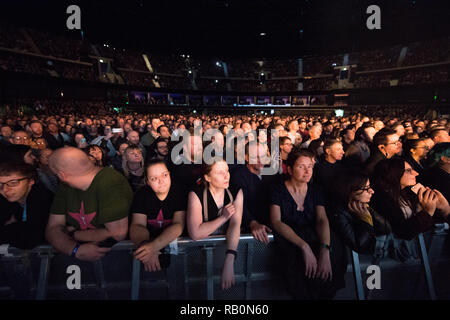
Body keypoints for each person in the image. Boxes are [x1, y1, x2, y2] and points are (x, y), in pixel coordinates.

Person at [269, 149, 346, 300]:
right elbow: (276, 222)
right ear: (289, 169)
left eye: (310, 166)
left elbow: (322, 220)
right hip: (292, 241)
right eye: (301, 167)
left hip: (316, 240)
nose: (307, 171)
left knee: (327, 277)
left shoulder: (316, 190)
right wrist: (304, 247)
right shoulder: (277, 189)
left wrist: (325, 251)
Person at [45, 147, 133, 261]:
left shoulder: (110, 182)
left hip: (114, 260)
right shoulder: (65, 187)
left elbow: (117, 233)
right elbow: (52, 228)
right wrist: (75, 249)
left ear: (62, 175)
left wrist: (72, 234)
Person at [187, 159, 243, 290]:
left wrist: (229, 260)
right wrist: (223, 217)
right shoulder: (196, 193)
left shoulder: (235, 191)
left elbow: (235, 224)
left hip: (226, 250)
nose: (226, 176)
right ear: (207, 177)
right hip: (199, 254)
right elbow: (195, 233)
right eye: (219, 172)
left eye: (227, 171)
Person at [371, 158, 450, 241]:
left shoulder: (406, 193)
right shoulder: (381, 200)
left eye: (412, 169)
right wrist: (427, 212)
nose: (416, 173)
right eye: (408, 171)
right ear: (393, 173)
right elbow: (404, 232)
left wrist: (444, 208)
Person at [130, 159, 186, 272]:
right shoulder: (141, 195)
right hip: (146, 252)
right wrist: (146, 248)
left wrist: (154, 247)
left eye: (164, 175)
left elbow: (178, 225)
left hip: (175, 250)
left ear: (169, 175)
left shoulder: (179, 192)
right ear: (147, 182)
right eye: (154, 178)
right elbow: (137, 225)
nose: (161, 181)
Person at [328, 169, 390, 254]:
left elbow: (386, 229)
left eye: (370, 187)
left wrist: (369, 213)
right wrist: (366, 220)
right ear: (351, 190)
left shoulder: (362, 205)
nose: (372, 191)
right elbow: (359, 245)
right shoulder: (338, 213)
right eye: (366, 188)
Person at [0, 161, 53, 249]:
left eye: (13, 183)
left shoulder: (41, 197)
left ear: (31, 181)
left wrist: (9, 227)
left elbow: (31, 238)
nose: (5, 189)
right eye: (0, 185)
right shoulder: (6, 199)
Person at [230, 143, 274, 244]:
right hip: (248, 231)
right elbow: (239, 205)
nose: (261, 160)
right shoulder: (238, 176)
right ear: (246, 157)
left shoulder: (271, 173)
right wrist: (252, 222)